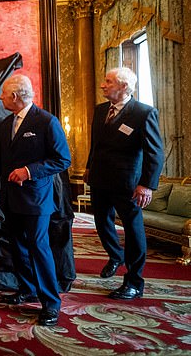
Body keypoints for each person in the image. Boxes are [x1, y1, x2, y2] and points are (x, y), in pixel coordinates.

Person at [0, 74, 71, 327]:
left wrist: (29, 171)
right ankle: (27, 289)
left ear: (15, 96)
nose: (0, 98)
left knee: (39, 249)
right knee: (18, 247)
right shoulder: (7, 123)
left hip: (36, 200)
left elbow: (62, 160)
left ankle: (51, 303)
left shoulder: (46, 122)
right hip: (10, 197)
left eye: (3, 94)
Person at [84, 67, 164, 300]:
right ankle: (115, 255)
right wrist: (89, 166)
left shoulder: (143, 113)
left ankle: (134, 281)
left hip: (127, 184)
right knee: (101, 221)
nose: (103, 85)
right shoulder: (100, 111)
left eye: (108, 82)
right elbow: (96, 144)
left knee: (133, 229)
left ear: (124, 87)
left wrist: (147, 185)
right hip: (99, 179)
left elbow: (155, 153)